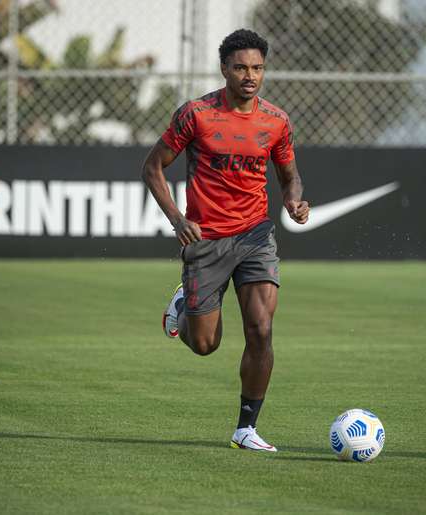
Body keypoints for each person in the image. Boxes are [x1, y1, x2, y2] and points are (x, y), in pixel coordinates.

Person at [142, 29, 309, 452]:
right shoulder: (196, 115)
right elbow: (153, 168)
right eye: (241, 67)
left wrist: (293, 202)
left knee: (261, 328)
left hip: (256, 235)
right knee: (204, 345)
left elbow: (289, 176)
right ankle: (183, 307)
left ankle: (245, 429)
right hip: (207, 241)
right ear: (224, 69)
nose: (250, 75)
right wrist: (177, 218)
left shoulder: (276, 121)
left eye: (257, 68)